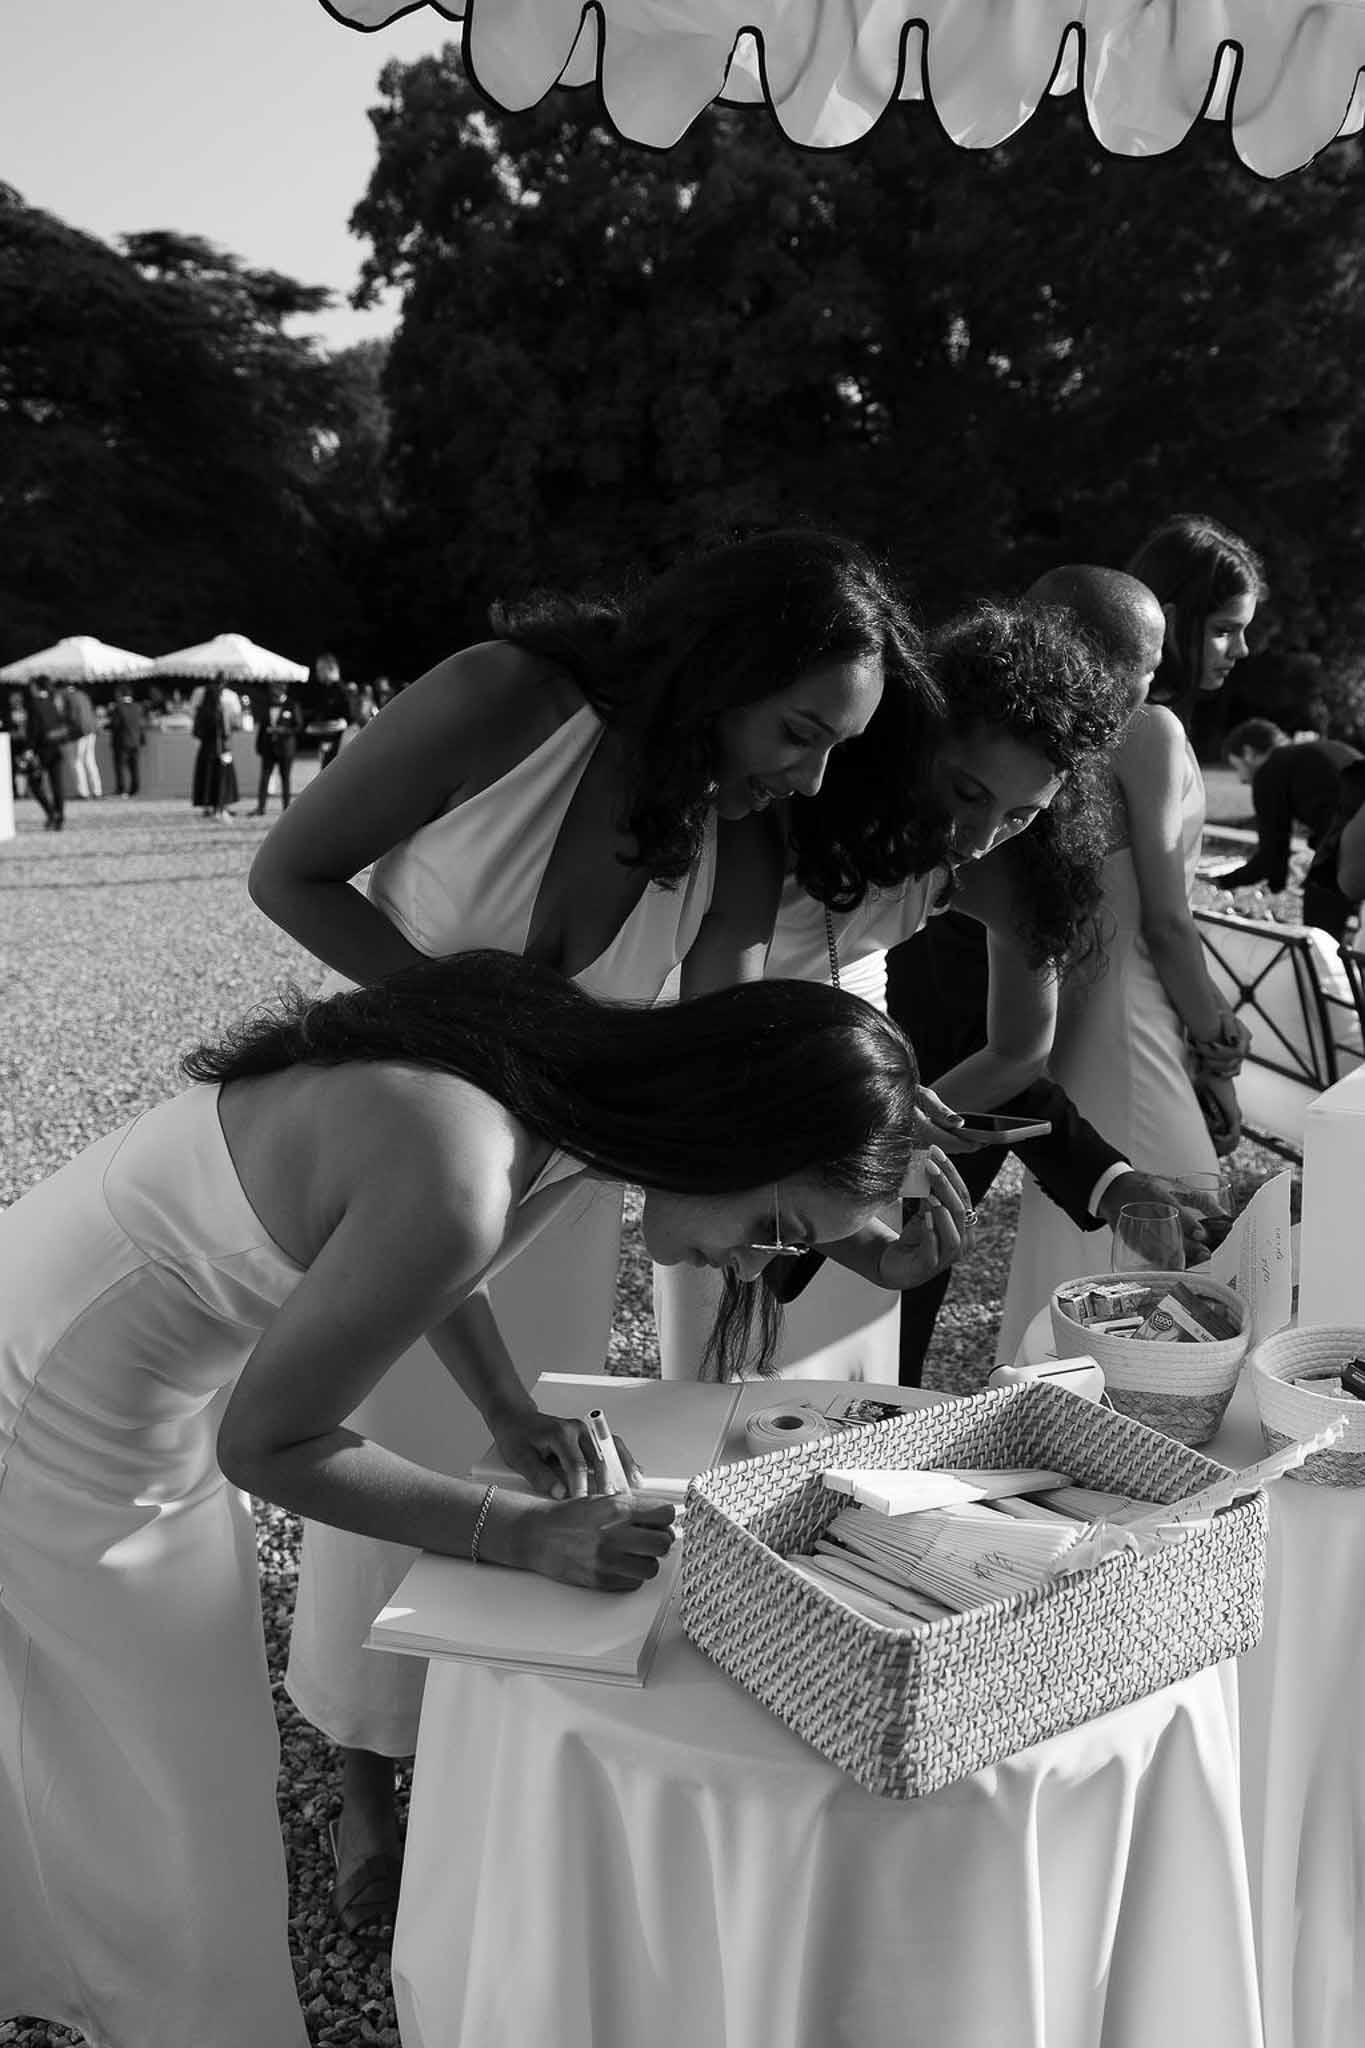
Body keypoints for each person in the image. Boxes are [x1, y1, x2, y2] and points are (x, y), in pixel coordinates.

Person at [0, 951, 924, 2048]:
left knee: (140, 1743)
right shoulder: (464, 1167)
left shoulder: (564, 1075)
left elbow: (422, 1249)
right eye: (775, 1227)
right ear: (731, 1130)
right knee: (175, 1788)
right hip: (54, 1401)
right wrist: (524, 1533)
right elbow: (271, 1442)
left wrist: (503, 1406)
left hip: (119, 1360)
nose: (747, 1264)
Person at [248, 526, 942, 1932]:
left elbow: (726, 1040)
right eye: (799, 730)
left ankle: (482, 1756)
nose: (807, 777)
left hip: (555, 1192)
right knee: (378, 1453)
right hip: (397, 1156)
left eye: (832, 750)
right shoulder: (501, 699)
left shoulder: (735, 821)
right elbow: (290, 875)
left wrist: (827, 1183)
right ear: (721, 667)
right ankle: (358, 1769)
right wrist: (477, 1043)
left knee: (529, 1475)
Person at [658, 591, 1139, 1382]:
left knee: (857, 1396)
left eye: (1022, 816)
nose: (978, 840)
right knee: (721, 1393)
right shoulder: (776, 812)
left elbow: (1021, 1047)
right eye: (969, 793)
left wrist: (892, 1125)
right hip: (726, 1104)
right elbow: (714, 1030)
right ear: (915, 736)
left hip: (850, 1117)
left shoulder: (998, 864)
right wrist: (864, 1116)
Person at [997, 516, 1263, 1364]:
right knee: (1188, 1266)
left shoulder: (1094, 728)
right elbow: (1164, 920)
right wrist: (1219, 1045)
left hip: (1090, 1030)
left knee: (1100, 1263)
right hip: (1129, 1034)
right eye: (1224, 627)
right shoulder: (1149, 728)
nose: (1240, 650)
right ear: (1173, 619)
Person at [1214, 716, 1363, 936]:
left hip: (1353, 844)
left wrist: (1221, 881)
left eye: (1236, 767)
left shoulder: (1269, 772)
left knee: (1318, 934)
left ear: (1248, 753)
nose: (1241, 779)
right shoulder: (1308, 755)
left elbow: (1271, 856)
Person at [254, 677, 305, 814]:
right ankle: (261, 807)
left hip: (285, 747)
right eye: (272, 688)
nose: (273, 691)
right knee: (264, 777)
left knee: (285, 777)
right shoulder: (266, 704)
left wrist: (284, 730)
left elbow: (299, 726)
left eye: (276, 688)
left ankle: (286, 808)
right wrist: (258, 746)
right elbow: (262, 727)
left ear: (283, 689)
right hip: (268, 747)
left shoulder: (292, 704)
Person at [25, 680, 71, 831]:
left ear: (36, 687)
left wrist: (30, 748)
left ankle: (51, 812)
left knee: (34, 783)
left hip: (41, 750)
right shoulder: (53, 702)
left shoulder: (34, 704)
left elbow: (34, 728)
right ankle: (59, 816)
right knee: (57, 784)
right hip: (55, 747)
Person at [191, 680, 239, 820]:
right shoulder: (220, 711)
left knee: (207, 778)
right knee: (222, 778)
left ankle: (208, 807)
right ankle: (221, 807)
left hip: (206, 748)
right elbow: (226, 731)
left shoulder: (201, 710)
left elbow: (196, 732)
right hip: (220, 748)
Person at [305, 651, 351, 767]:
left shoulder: (342, 691)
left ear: (330, 668)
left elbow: (347, 720)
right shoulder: (326, 689)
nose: (317, 673)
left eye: (320, 669)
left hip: (339, 745)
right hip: (327, 743)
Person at [108, 686, 146, 798]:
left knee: (120, 767)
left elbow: (115, 725)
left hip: (122, 741)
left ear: (120, 695)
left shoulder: (118, 708)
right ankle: (135, 789)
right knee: (134, 767)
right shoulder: (138, 707)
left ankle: (122, 789)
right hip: (135, 741)